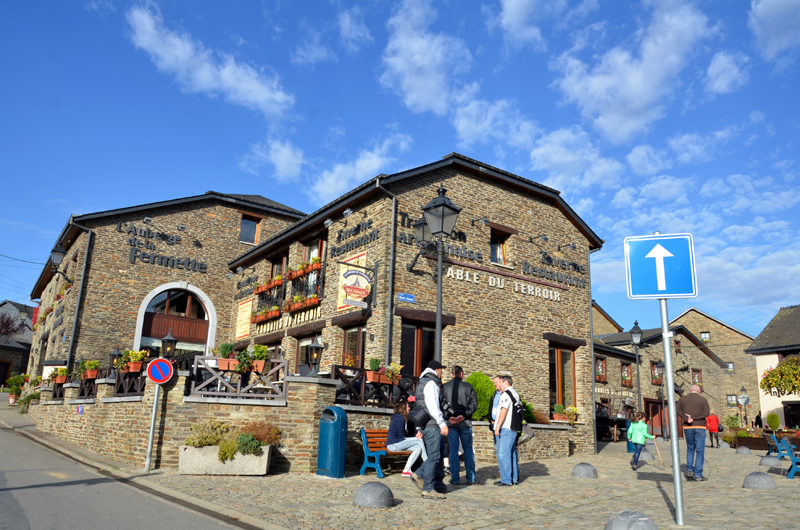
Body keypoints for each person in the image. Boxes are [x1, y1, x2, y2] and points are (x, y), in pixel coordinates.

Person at [413, 360, 449, 500]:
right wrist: (442, 423)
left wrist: (419, 427)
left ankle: (431, 481)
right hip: (432, 424)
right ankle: (427, 487)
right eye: (441, 371)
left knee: (438, 452)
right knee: (434, 456)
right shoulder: (431, 383)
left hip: (426, 423)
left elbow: (420, 405)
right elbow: (433, 406)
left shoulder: (422, 382)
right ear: (437, 370)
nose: (441, 374)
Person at [443, 365, 478, 486]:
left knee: (453, 449)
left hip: (451, 423)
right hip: (465, 422)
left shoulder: (445, 387)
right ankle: (471, 478)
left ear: (452, 374)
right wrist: (463, 415)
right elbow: (474, 404)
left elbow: (441, 405)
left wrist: (449, 417)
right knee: (467, 450)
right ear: (461, 374)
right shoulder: (468, 387)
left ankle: (455, 478)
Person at [676, 384, 710, 481]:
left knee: (690, 448)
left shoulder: (682, 399)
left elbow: (678, 409)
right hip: (699, 426)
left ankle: (689, 469)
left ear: (690, 390)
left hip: (688, 427)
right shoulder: (703, 400)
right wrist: (694, 417)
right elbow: (706, 413)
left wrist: (687, 418)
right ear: (699, 391)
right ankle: (698, 474)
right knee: (699, 450)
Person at [386, 400, 427, 477]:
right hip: (394, 445)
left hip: (397, 443)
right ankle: (427, 463)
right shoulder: (400, 418)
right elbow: (401, 437)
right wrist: (414, 439)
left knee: (417, 448)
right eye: (408, 406)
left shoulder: (402, 418)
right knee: (419, 440)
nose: (409, 408)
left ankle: (406, 470)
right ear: (403, 408)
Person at [493, 375, 520, 486]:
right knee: (512, 453)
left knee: (504, 454)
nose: (499, 385)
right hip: (514, 428)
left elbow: (504, 411)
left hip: (507, 427)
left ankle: (506, 479)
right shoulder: (515, 393)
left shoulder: (506, 394)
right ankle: (513, 478)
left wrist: (498, 425)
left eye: (500, 382)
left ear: (505, 383)